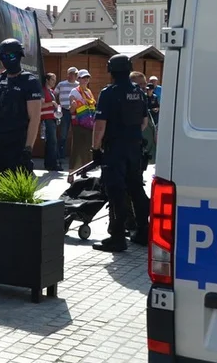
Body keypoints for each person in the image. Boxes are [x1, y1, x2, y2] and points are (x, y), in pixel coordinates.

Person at [91, 54, 151, 252]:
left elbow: (100, 126)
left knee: (116, 193)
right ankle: (143, 232)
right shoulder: (138, 93)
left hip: (115, 150)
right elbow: (144, 122)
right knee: (136, 189)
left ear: (111, 71)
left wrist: (95, 148)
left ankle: (117, 238)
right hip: (134, 148)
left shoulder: (108, 93)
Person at [0, 39, 43, 174]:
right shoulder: (0, 81)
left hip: (18, 144)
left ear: (20, 56)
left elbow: (35, 118)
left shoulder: (29, 81)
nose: (7, 59)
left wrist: (28, 148)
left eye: (11, 56)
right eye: (3, 56)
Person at [68, 69, 97, 171]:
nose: (86, 80)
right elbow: (71, 110)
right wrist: (73, 106)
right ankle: (71, 171)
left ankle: (84, 171)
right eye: (83, 78)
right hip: (78, 124)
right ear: (78, 79)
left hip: (89, 124)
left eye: (87, 78)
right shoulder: (74, 91)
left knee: (87, 148)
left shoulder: (89, 91)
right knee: (77, 147)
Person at [56, 67, 79, 161]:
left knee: (76, 133)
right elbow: (54, 94)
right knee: (63, 134)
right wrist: (58, 106)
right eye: (71, 73)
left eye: (75, 74)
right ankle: (61, 155)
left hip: (76, 111)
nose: (73, 75)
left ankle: (75, 155)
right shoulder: (61, 84)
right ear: (68, 74)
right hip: (64, 111)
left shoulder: (78, 85)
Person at [41, 72, 61, 172]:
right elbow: (41, 105)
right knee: (52, 141)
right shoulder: (43, 91)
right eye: (52, 79)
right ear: (47, 80)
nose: (54, 81)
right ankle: (52, 164)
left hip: (53, 118)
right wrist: (52, 103)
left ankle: (50, 163)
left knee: (51, 142)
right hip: (46, 118)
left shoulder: (51, 91)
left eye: (55, 79)